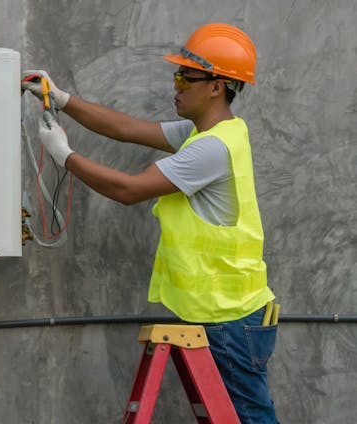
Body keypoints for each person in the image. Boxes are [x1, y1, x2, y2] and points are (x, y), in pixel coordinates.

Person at [22, 23, 278, 423]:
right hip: (230, 313)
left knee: (251, 419)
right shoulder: (214, 132)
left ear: (217, 86)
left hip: (230, 319)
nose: (175, 85)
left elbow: (129, 190)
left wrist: (64, 157)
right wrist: (63, 100)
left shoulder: (210, 148)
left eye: (185, 77)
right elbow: (126, 129)